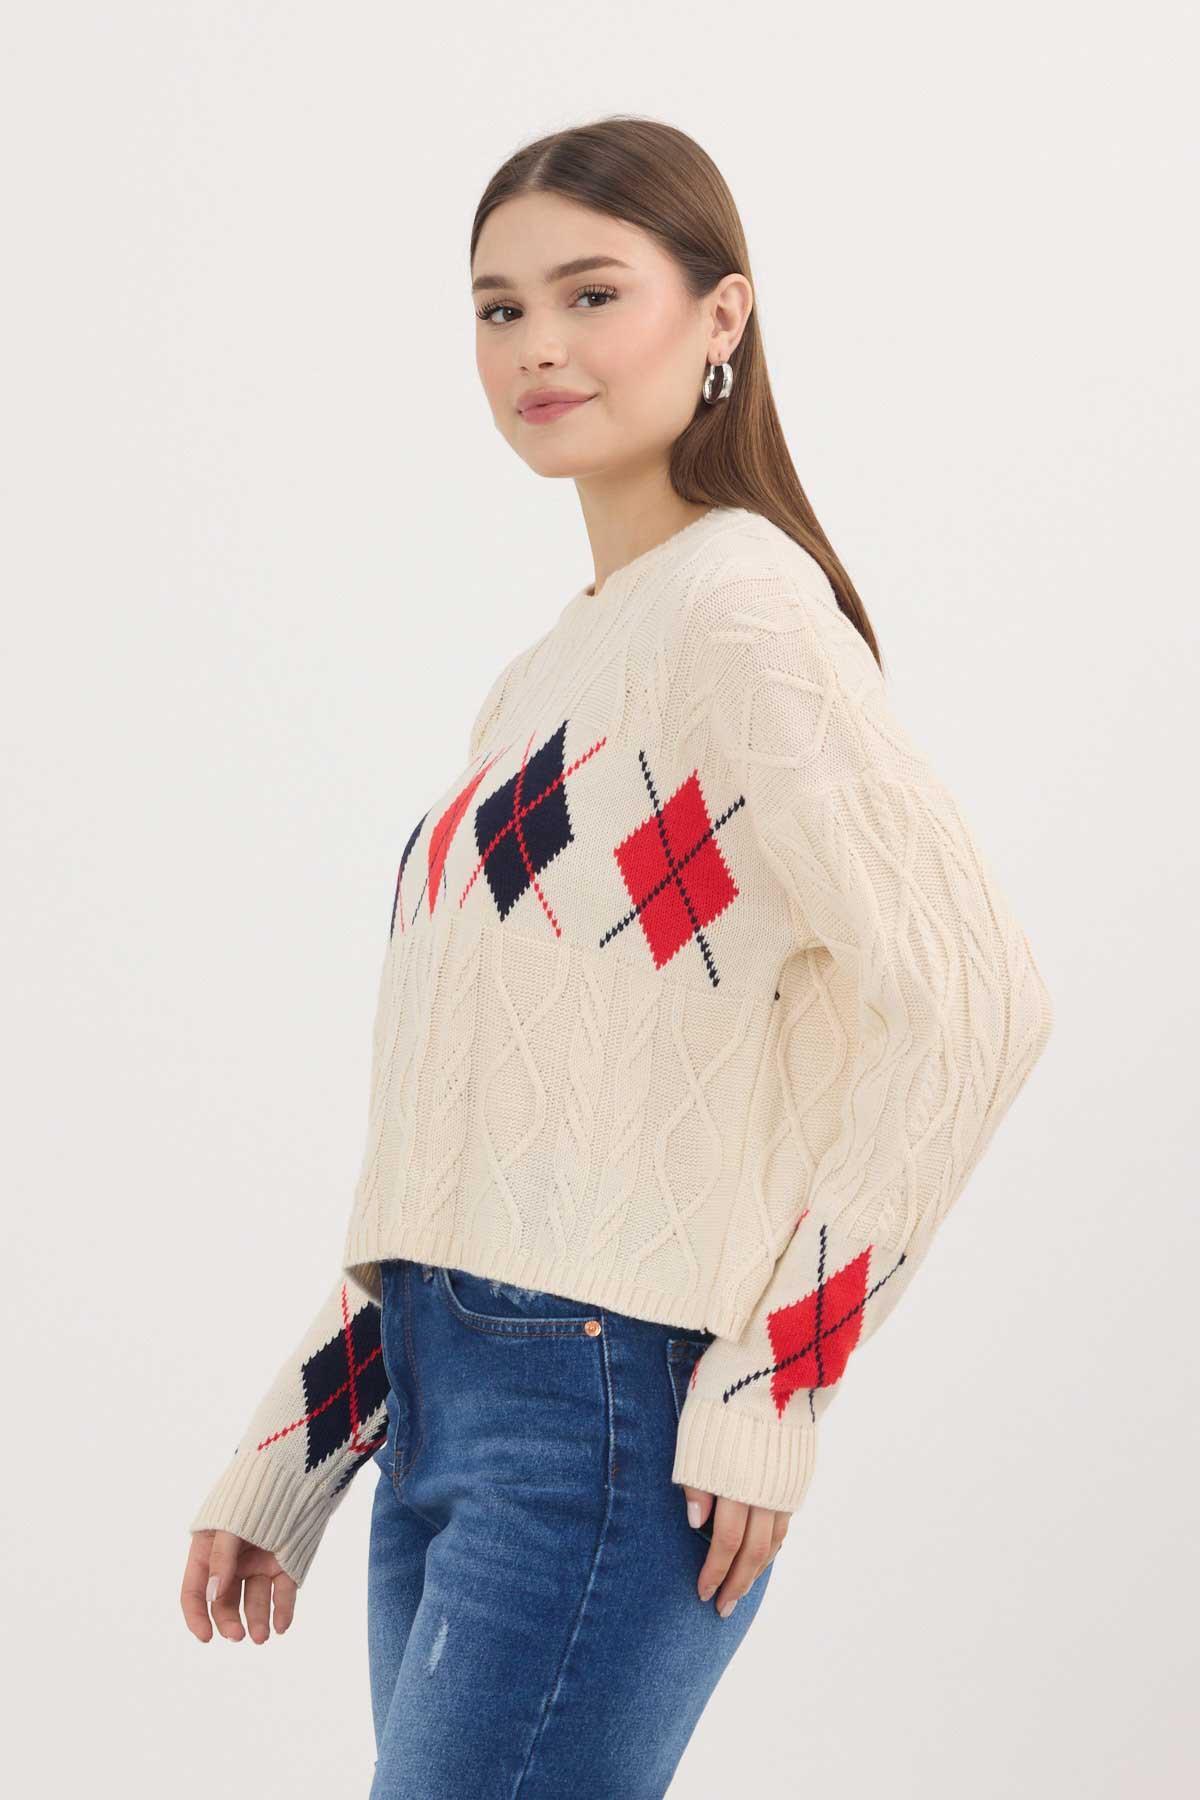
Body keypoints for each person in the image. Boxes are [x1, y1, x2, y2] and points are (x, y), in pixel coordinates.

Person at [180, 116, 1054, 1797]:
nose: (540, 346)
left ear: (723, 315)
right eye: (498, 309)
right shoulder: (545, 680)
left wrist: (778, 1381)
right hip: (450, 1409)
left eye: (592, 294)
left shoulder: (744, 613)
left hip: (600, 1423)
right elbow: (477, 1150)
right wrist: (299, 1443)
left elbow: (977, 1002)